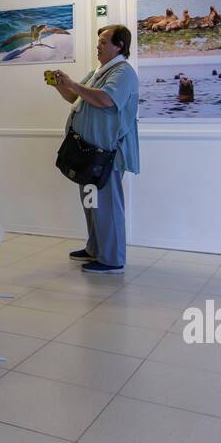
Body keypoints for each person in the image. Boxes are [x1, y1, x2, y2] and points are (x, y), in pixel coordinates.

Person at [48, 24, 140, 273]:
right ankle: (94, 248)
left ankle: (112, 259)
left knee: (107, 205)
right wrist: (61, 85)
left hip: (106, 154)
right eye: (98, 41)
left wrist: (75, 85)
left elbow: (105, 99)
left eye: (103, 42)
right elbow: (77, 98)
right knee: (91, 202)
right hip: (87, 154)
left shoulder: (123, 73)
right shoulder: (100, 71)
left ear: (119, 45)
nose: (97, 46)